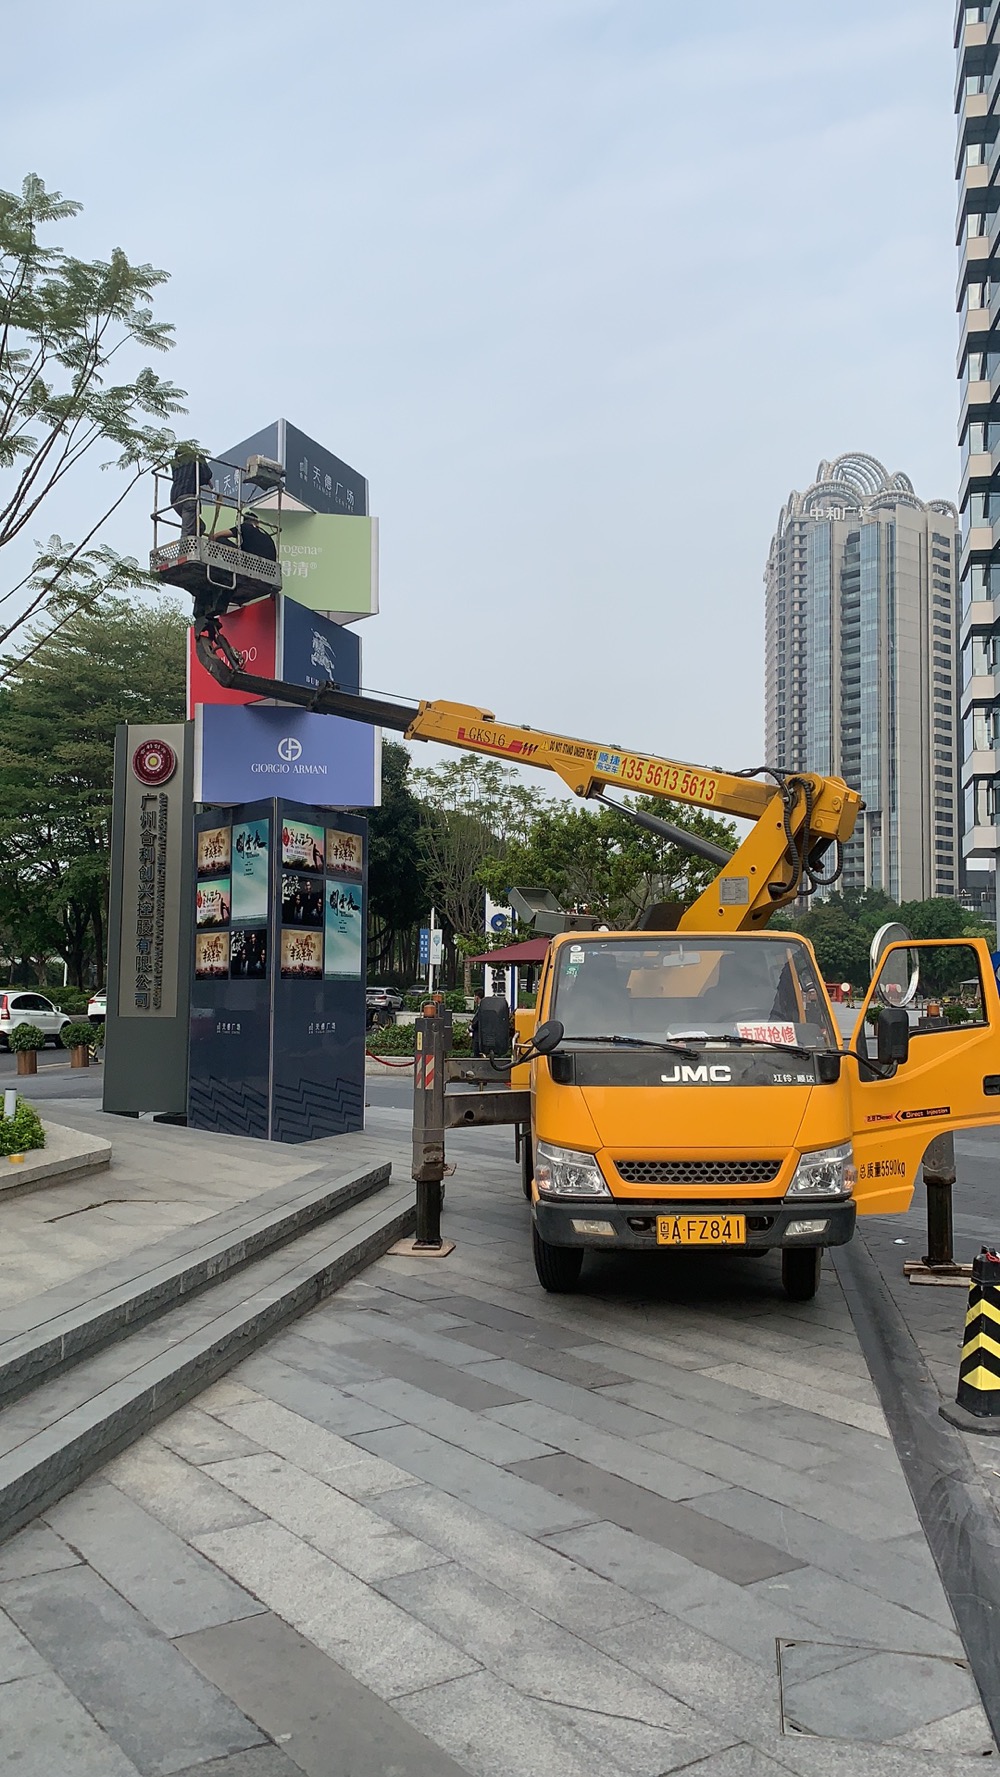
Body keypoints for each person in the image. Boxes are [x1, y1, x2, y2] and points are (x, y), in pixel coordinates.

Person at [170, 453, 212, 539]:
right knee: (187, 530)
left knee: (200, 527)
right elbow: (207, 475)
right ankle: (184, 551)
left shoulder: (174, 463)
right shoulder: (195, 457)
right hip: (188, 497)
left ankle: (193, 547)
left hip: (175, 498)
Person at [470, 990, 484, 1057]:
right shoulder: (481, 1007)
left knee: (477, 1055)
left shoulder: (481, 1008)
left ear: (477, 997)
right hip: (480, 1035)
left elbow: (477, 1021)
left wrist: (470, 1027)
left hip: (478, 1036)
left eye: (474, 996)